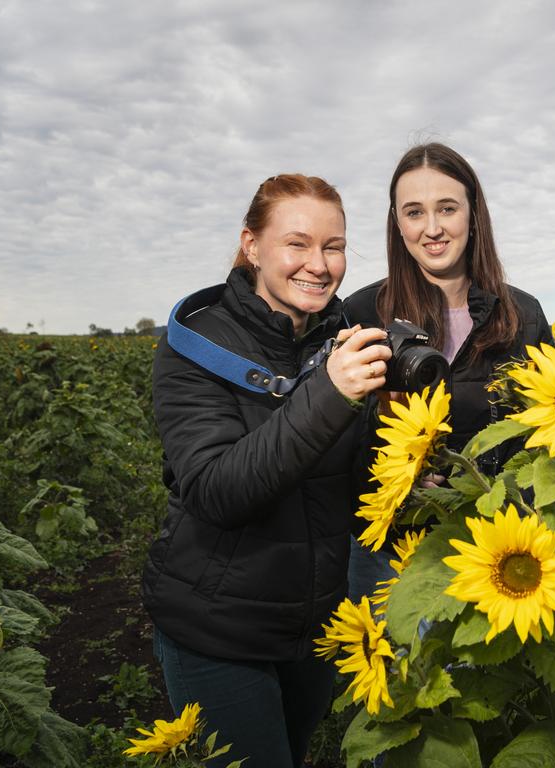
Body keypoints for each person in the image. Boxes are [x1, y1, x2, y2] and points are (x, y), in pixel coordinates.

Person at [142, 174, 392, 768]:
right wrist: (329, 395)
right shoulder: (196, 345)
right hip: (219, 630)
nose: (320, 264)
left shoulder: (337, 338)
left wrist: (408, 478)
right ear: (252, 245)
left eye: (334, 247)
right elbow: (217, 490)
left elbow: (344, 484)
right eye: (297, 244)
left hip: (313, 628)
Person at [343, 143, 553, 601]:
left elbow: (548, 440)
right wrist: (396, 474)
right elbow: (334, 437)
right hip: (391, 553)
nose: (432, 228)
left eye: (447, 208)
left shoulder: (523, 315)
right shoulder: (362, 313)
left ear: (473, 215)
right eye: (414, 212)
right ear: (397, 225)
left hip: (497, 555)